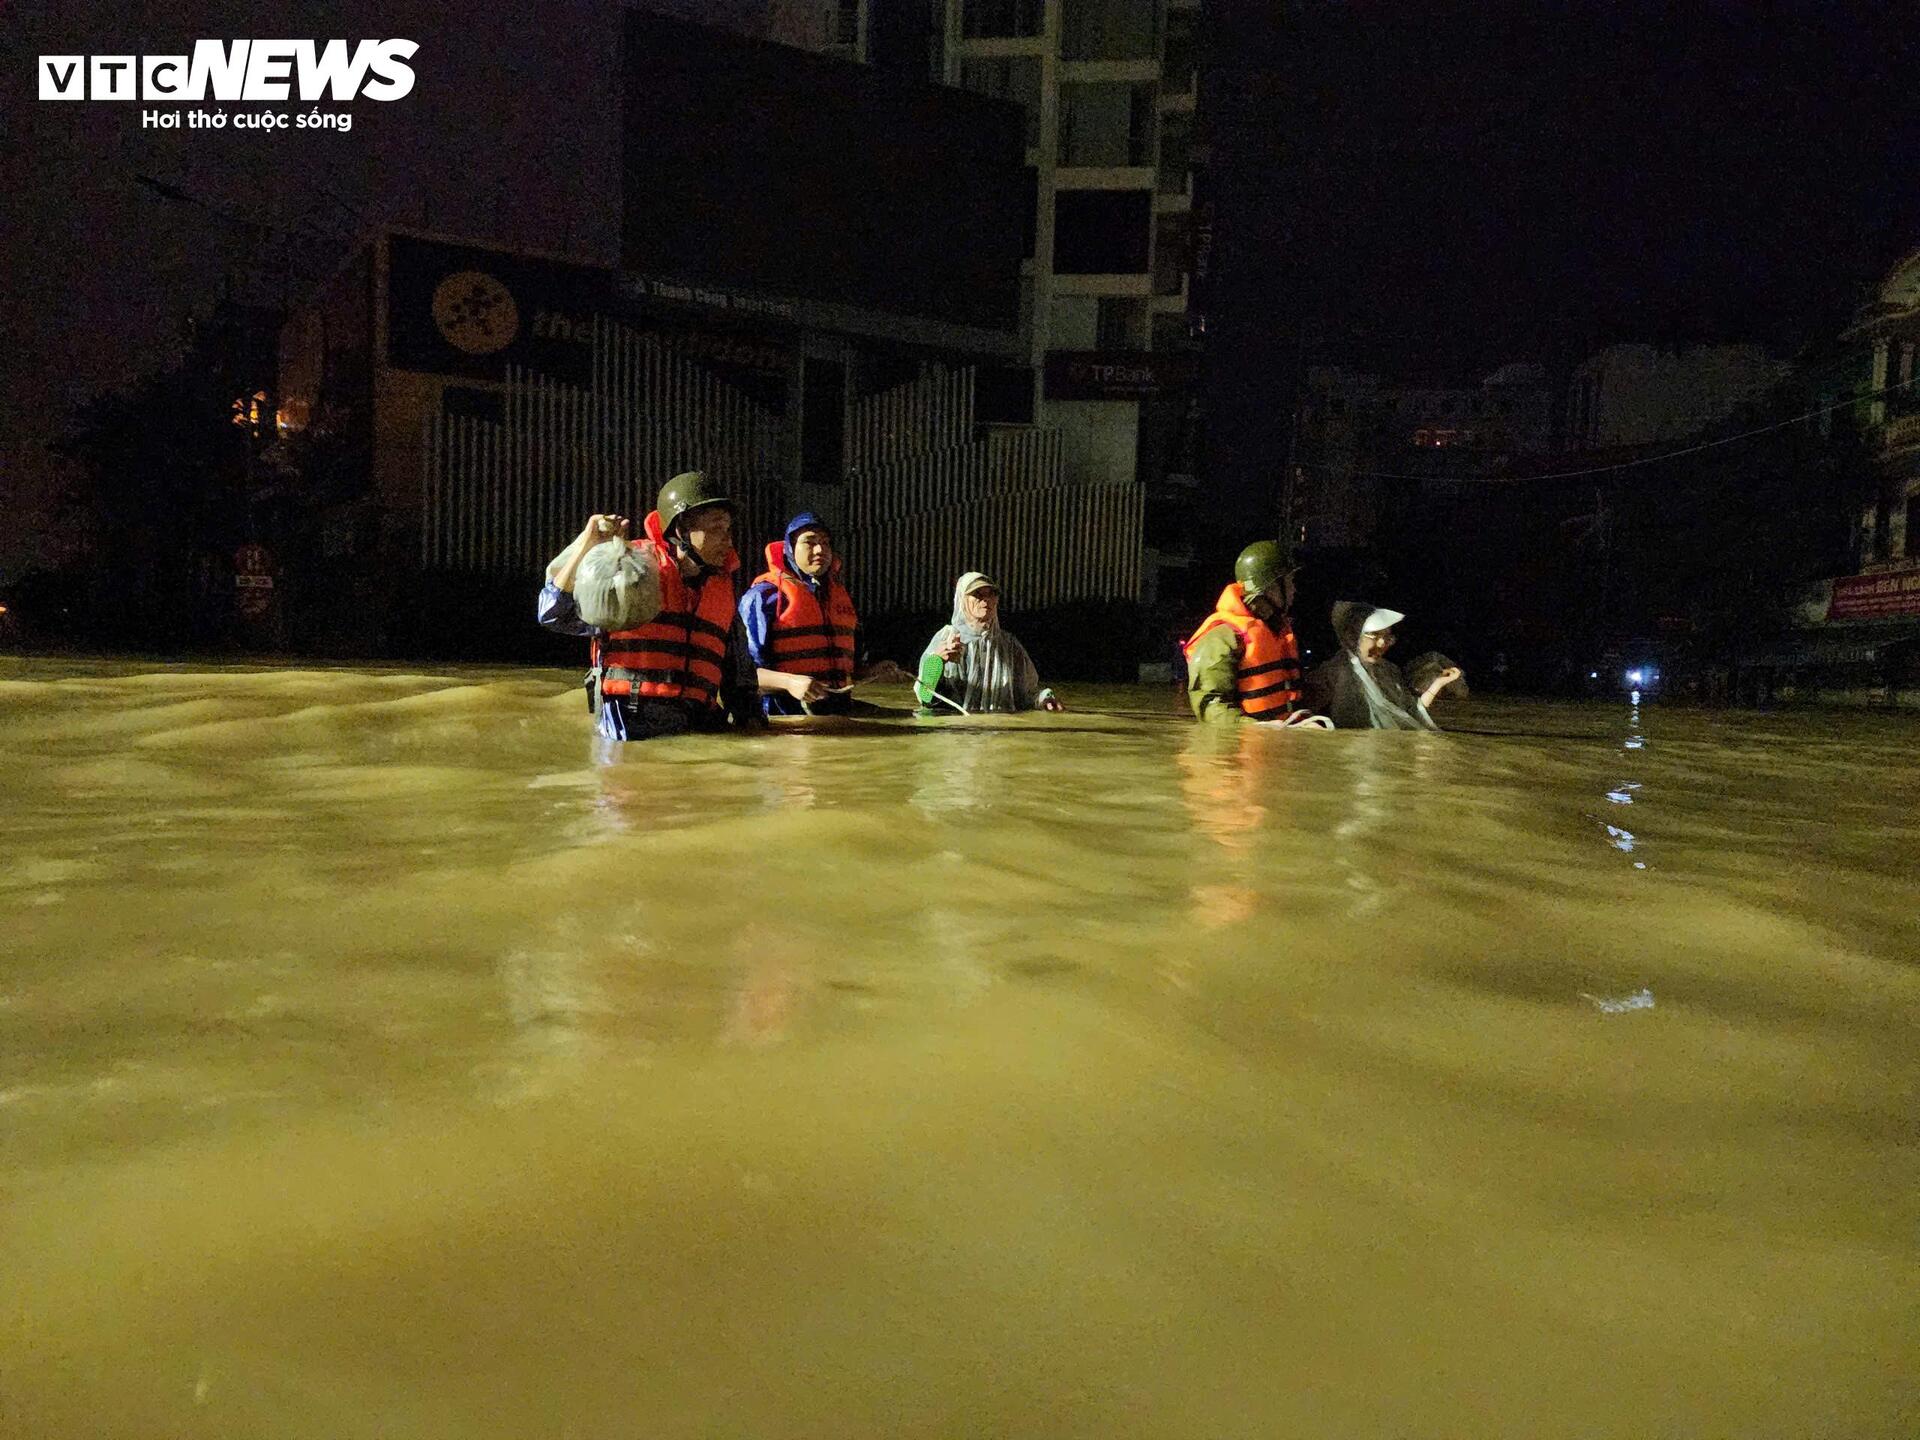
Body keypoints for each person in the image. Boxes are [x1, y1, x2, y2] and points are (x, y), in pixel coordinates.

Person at [537, 471, 764, 740]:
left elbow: (741, 685)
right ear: (680, 530)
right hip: (631, 725)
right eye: (716, 529)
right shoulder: (633, 575)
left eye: (728, 530)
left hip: (699, 727)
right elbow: (554, 615)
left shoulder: (722, 592)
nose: (728, 541)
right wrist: (588, 544)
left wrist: (755, 729)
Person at [738, 512, 909, 716]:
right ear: (789, 548)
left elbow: (847, 672)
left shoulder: (838, 597)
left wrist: (872, 673)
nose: (820, 550)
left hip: (839, 711)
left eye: (826, 543)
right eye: (810, 542)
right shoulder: (763, 597)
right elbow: (742, 675)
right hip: (784, 716)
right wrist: (790, 682)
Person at [1182, 540, 1323, 725]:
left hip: (1282, 735)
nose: (1294, 589)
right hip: (1249, 740)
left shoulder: (1277, 631)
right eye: (1289, 582)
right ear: (1270, 588)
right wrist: (1256, 730)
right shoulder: (1223, 638)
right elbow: (1210, 705)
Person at [1302, 601, 1463, 730]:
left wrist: (1438, 683)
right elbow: (1304, 713)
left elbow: (1412, 713)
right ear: (1353, 635)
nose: (1382, 644)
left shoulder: (1388, 671)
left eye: (1387, 637)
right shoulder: (1332, 673)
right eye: (1374, 635)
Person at [918, 573, 1064, 713]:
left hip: (998, 724)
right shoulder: (945, 638)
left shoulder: (1009, 646)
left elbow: (1027, 694)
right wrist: (937, 661)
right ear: (962, 599)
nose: (986, 599)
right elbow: (926, 698)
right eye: (977, 594)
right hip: (956, 725)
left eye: (991, 594)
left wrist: (1044, 701)